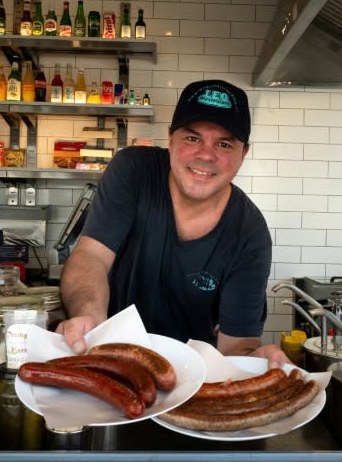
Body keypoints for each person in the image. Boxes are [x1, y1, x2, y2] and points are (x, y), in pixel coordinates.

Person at [57, 79, 289, 368]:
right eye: (192, 138)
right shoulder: (133, 171)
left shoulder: (250, 234)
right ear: (170, 139)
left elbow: (235, 347)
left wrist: (251, 362)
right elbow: (91, 256)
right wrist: (91, 320)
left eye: (224, 143)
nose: (206, 155)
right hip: (110, 363)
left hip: (193, 387)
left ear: (244, 154)